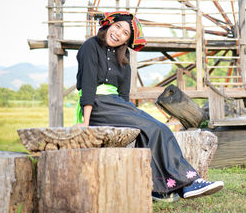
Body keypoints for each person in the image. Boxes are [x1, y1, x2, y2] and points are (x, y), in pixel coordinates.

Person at [74, 11, 224, 202]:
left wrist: (131, 114)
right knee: (154, 128)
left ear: (127, 41)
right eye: (118, 26)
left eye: (125, 33)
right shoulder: (90, 46)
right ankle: (189, 183)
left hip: (117, 105)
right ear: (109, 24)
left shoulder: (123, 56)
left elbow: (123, 95)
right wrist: (85, 122)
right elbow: (87, 86)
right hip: (97, 106)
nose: (119, 33)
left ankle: (161, 188)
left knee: (158, 128)